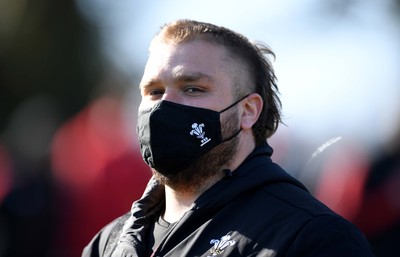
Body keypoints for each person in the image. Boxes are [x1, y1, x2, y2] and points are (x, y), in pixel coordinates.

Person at [82, 19, 375, 257]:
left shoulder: (310, 237)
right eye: (154, 92)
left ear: (248, 111)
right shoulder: (107, 244)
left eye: (193, 88)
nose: (164, 106)